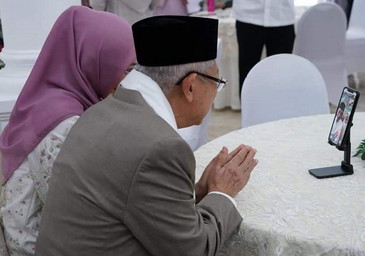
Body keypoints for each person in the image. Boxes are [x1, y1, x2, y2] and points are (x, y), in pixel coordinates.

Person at [35, 15, 258, 255]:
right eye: (217, 81)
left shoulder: (101, 110)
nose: (216, 91)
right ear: (190, 87)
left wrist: (201, 189)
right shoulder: (161, 147)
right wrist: (222, 193)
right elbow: (194, 249)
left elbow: (135, 200)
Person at [0, 6, 136, 256]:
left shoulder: (46, 99)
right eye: (126, 68)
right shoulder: (63, 124)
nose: (129, 80)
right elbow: (82, 211)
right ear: (95, 60)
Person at [233, 0, 296, 98]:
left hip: (282, 15)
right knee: (247, 72)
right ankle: (248, 111)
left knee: (281, 75)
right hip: (248, 15)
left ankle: (281, 110)